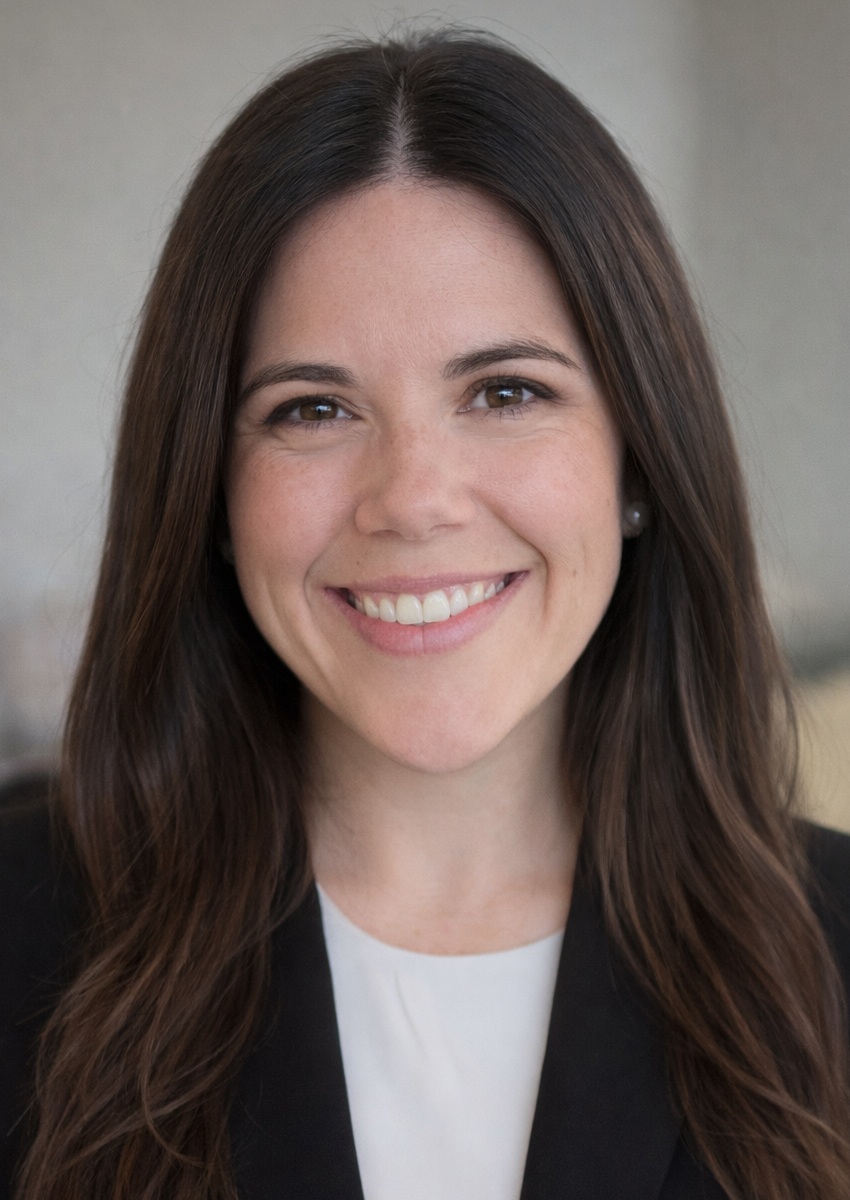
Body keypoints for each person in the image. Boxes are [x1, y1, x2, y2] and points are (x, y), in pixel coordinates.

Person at [1, 29, 849, 1200]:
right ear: (209, 490)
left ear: (639, 459)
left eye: (505, 392)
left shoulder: (838, 962)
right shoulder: (21, 941)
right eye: (310, 410)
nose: (410, 500)